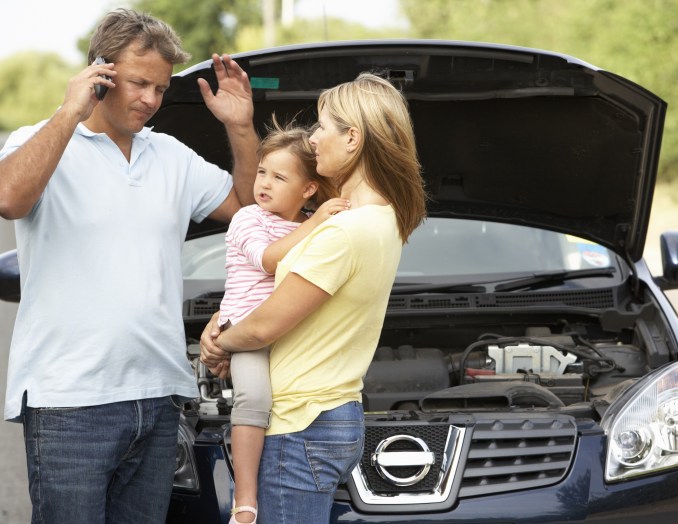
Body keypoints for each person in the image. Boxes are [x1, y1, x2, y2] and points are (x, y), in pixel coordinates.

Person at [0, 8, 259, 524]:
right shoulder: (40, 139)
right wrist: (68, 115)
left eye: (160, 89)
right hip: (68, 402)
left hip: (160, 398)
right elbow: (9, 198)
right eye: (138, 83)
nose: (150, 100)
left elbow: (251, 210)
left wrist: (243, 128)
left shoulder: (170, 156)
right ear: (100, 74)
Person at [200, 72, 427, 524]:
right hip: (332, 413)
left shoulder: (344, 231)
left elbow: (266, 325)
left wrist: (219, 342)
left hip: (300, 422)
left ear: (353, 139)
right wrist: (226, 316)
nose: (314, 138)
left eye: (323, 127)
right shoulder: (382, 219)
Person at [219, 120, 349, 524]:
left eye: (279, 177)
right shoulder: (248, 219)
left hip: (294, 339)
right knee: (254, 400)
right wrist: (316, 222)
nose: (265, 184)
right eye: (262, 173)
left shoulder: (312, 225)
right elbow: (267, 260)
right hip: (248, 335)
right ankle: (245, 500)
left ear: (308, 188)